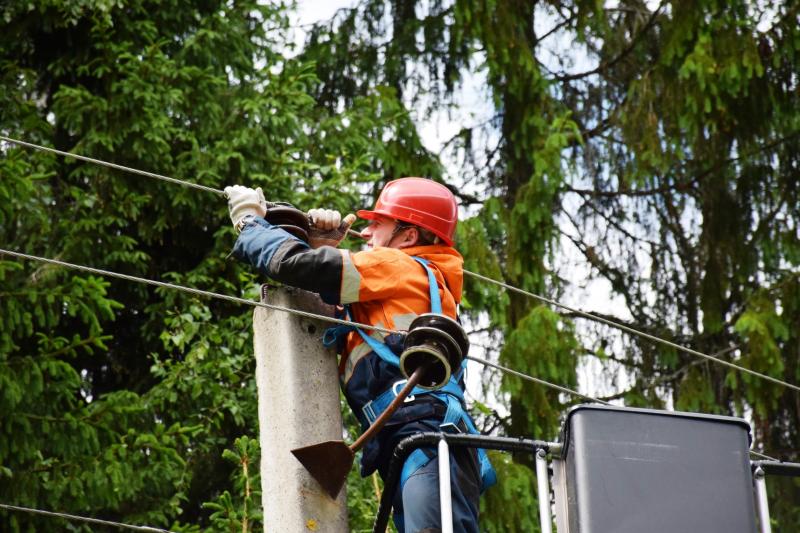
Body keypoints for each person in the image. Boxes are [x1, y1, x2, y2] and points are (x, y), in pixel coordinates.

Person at [226, 177, 493, 533]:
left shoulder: (398, 266)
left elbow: (298, 265)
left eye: (377, 224)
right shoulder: (404, 283)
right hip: (415, 439)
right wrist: (320, 244)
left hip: (426, 436)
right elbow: (322, 292)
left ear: (409, 236)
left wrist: (250, 224)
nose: (365, 233)